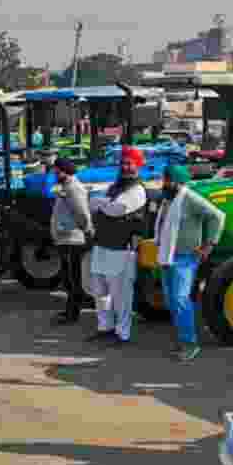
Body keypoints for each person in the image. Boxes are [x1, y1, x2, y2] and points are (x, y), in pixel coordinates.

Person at [153, 165, 225, 362]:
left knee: (180, 299)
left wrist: (208, 246)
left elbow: (217, 216)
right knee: (172, 300)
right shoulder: (169, 199)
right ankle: (183, 338)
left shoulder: (189, 198)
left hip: (184, 257)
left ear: (179, 182)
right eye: (165, 179)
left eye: (168, 180)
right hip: (168, 255)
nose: (165, 183)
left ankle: (190, 344)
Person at [85, 147, 149, 343]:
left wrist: (102, 204)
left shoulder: (137, 190)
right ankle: (105, 327)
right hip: (102, 244)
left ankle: (123, 334)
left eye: (130, 163)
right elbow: (94, 204)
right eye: (123, 162)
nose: (125, 166)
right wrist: (104, 204)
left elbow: (117, 209)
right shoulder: (115, 187)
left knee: (121, 296)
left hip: (121, 249)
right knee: (99, 291)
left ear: (138, 166)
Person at [49, 158, 94, 325]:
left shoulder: (74, 189)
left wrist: (87, 230)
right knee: (69, 278)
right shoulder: (67, 187)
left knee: (73, 278)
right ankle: (70, 309)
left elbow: (82, 213)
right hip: (66, 238)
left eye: (57, 171)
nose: (55, 173)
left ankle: (72, 313)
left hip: (72, 239)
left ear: (65, 171)